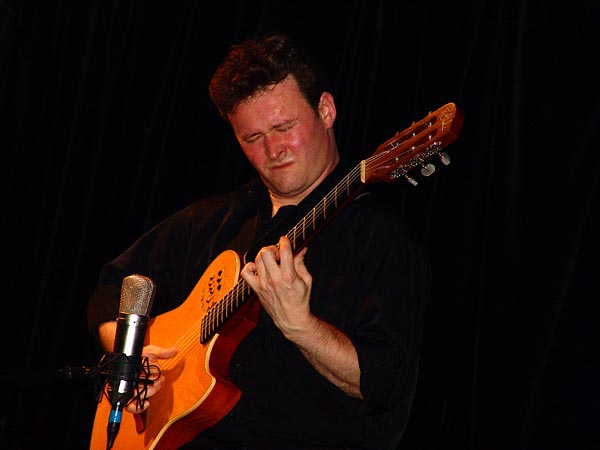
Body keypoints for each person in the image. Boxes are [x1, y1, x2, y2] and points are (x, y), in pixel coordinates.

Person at [87, 33, 430, 450]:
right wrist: (130, 359)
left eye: (284, 127)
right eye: (252, 138)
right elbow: (114, 285)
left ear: (326, 110)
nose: (273, 150)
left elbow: (383, 384)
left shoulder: (382, 239)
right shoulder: (214, 220)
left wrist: (300, 327)